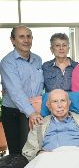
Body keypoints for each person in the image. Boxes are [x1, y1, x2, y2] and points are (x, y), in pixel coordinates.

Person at [22, 89, 79, 168]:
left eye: (63, 100)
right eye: (55, 101)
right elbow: (29, 150)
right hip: (51, 158)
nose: (60, 105)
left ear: (69, 103)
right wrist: (39, 153)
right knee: (42, 160)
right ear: (48, 105)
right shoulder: (40, 124)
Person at [0, 25, 44, 155]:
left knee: (35, 150)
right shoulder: (7, 62)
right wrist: (31, 113)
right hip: (14, 113)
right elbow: (15, 91)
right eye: (21, 36)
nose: (26, 40)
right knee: (18, 153)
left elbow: (41, 86)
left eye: (28, 36)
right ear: (13, 40)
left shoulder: (38, 59)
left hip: (34, 111)